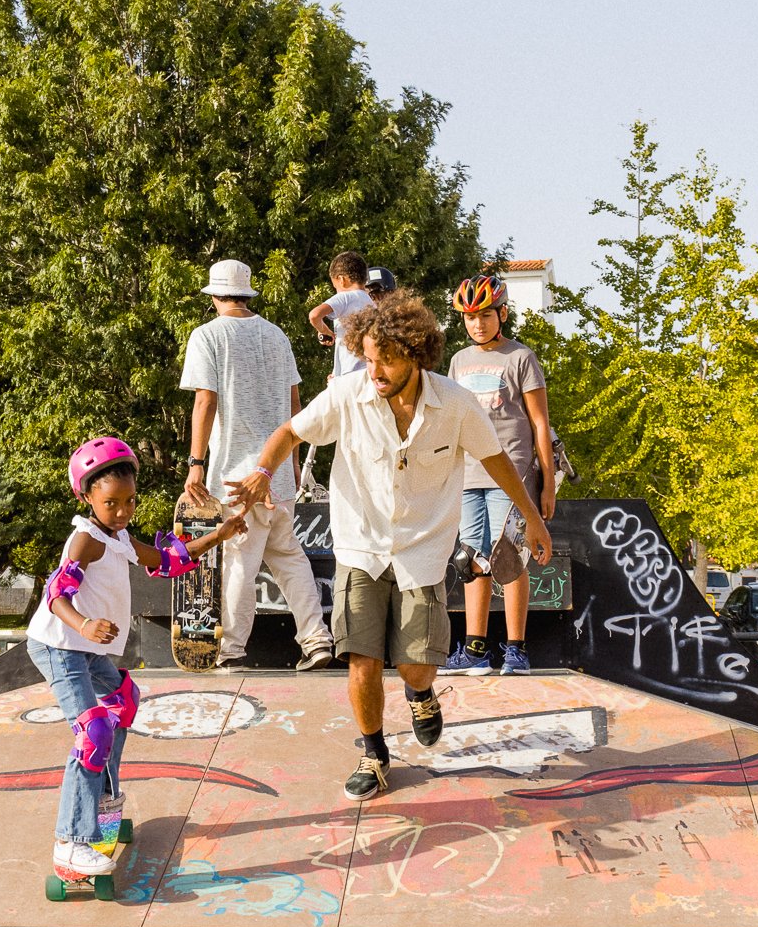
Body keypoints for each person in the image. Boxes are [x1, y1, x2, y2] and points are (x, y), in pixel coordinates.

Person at [226, 289, 551, 801]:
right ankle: (373, 752)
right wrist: (263, 471)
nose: (375, 371)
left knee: (418, 662)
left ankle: (421, 692)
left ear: (416, 355)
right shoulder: (348, 395)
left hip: (422, 549)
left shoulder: (456, 403)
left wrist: (532, 517)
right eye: (370, 358)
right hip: (360, 546)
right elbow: (290, 430)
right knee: (362, 656)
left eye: (388, 360)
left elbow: (496, 461)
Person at [27, 437, 246, 878]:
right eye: (112, 503)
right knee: (93, 732)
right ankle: (71, 841)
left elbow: (167, 561)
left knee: (124, 699)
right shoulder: (85, 540)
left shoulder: (120, 537)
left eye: (130, 501)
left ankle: (103, 799)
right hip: (61, 647)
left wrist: (217, 536)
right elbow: (56, 594)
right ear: (87, 497)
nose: (124, 511)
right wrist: (84, 624)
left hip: (86, 652)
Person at [181, 259, 335, 671]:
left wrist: (196, 463)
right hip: (279, 472)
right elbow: (296, 406)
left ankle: (230, 651)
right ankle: (317, 641)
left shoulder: (207, 336)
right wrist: (295, 464)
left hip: (236, 477)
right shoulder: (276, 335)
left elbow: (205, 401)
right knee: (290, 558)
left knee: (237, 562)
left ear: (214, 296)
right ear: (247, 294)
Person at [440, 275, 556, 678]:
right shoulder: (458, 361)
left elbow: (540, 424)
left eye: (485, 315)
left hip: (514, 471)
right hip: (470, 472)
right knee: (471, 557)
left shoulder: (520, 357)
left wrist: (548, 481)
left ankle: (517, 649)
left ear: (502, 314)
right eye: (470, 317)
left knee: (509, 557)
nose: (477, 324)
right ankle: (475, 650)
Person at [308, 251, 374, 376]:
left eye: (335, 287)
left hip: (349, 373)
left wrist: (323, 330)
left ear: (341, 280)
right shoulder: (371, 302)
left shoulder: (345, 297)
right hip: (367, 370)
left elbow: (314, 315)